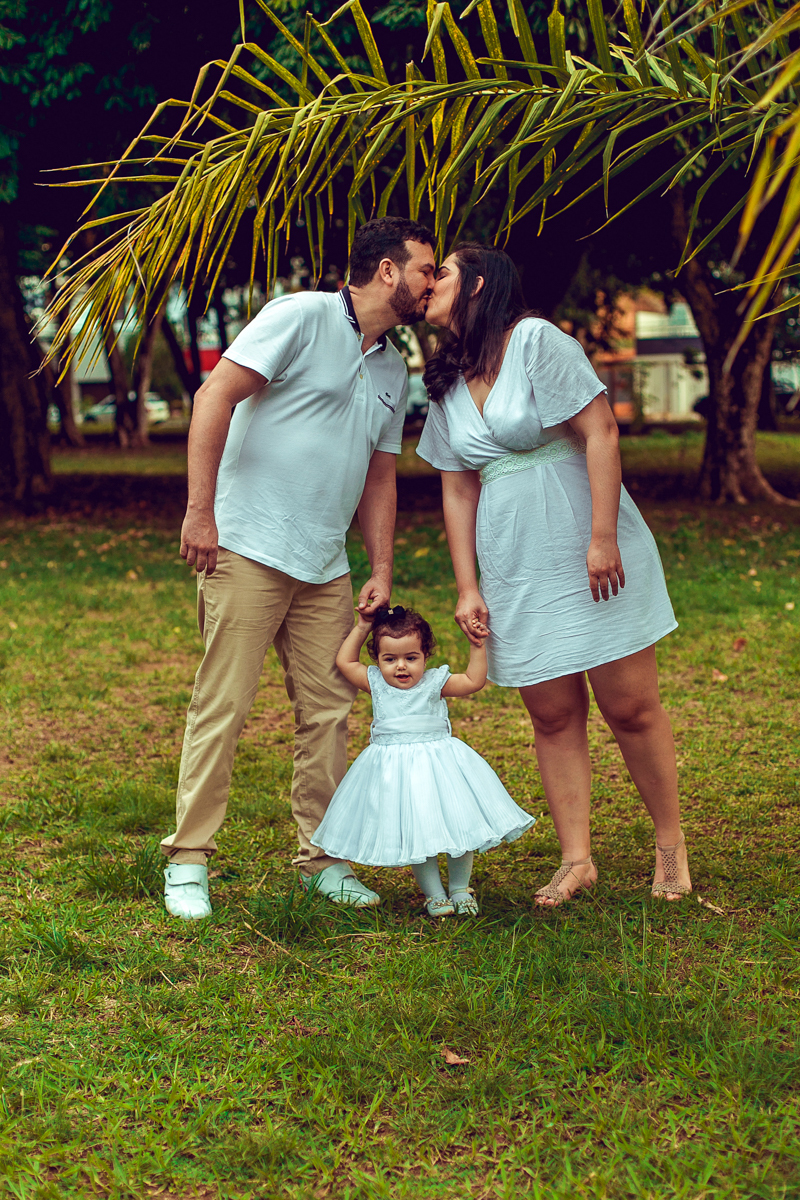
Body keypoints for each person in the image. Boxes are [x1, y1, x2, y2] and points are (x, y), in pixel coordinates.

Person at [161, 217, 437, 921]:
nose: (432, 282)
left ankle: (323, 859)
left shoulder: (391, 366)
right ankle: (189, 860)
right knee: (222, 706)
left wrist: (379, 564)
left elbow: (381, 474)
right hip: (247, 546)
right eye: (425, 270)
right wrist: (201, 512)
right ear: (386, 272)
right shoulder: (302, 315)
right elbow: (214, 395)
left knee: (330, 711)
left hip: (325, 566)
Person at [416, 243, 692, 906]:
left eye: (442, 272)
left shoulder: (537, 341)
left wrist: (600, 538)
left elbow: (600, 432)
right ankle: (577, 859)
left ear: (478, 283)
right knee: (552, 713)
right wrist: (467, 585)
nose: (428, 282)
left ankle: (671, 848)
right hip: (514, 561)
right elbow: (456, 489)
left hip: (588, 548)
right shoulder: (447, 375)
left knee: (630, 706)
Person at [311, 606, 535, 916]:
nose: (400, 667)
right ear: (377, 660)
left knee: (460, 828)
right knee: (417, 831)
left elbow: (473, 681)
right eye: (389, 659)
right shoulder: (375, 682)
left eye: (410, 658)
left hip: (440, 769)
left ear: (425, 656)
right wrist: (363, 624)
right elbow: (345, 661)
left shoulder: (434, 682)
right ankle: (434, 894)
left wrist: (477, 644)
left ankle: (459, 888)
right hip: (397, 775)